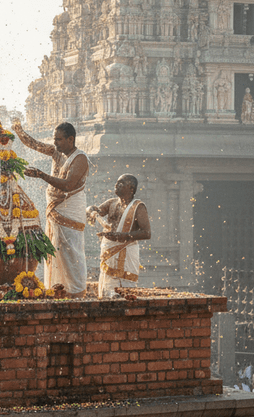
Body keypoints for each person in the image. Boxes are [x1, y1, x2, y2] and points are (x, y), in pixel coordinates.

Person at [13, 120, 89, 297]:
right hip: (55, 211)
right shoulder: (57, 152)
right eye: (54, 139)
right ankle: (58, 288)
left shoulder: (80, 158)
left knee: (71, 251)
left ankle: (76, 291)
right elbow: (34, 145)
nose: (55, 143)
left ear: (71, 139)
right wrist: (19, 131)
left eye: (59, 139)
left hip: (70, 211)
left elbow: (69, 185)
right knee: (55, 249)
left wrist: (41, 175)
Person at [88, 174, 151, 298]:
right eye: (116, 183)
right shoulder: (111, 203)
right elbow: (95, 211)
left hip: (127, 250)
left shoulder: (138, 207)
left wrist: (122, 236)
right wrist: (90, 210)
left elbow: (147, 233)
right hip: (109, 249)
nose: (116, 185)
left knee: (125, 289)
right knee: (107, 285)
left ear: (131, 189)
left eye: (121, 183)